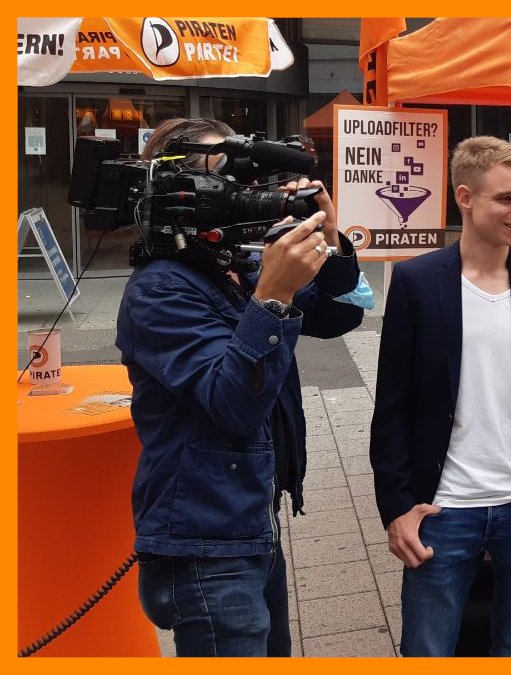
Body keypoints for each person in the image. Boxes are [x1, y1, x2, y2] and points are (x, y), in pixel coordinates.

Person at [117, 118, 364, 656]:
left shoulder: (232, 266)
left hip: (251, 515)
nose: (240, 196)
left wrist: (330, 235)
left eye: (243, 183)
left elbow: (340, 314)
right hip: (205, 539)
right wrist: (273, 297)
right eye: (221, 181)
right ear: (178, 196)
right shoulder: (160, 289)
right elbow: (235, 404)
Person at [370, 136, 511, 656]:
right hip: (442, 510)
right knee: (428, 650)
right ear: (465, 198)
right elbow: (392, 406)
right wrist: (396, 507)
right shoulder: (417, 281)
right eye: (507, 199)